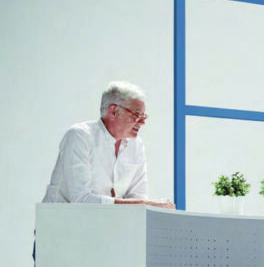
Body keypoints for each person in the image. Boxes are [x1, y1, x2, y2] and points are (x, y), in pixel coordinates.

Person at [41, 81, 175, 208]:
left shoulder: (136, 144)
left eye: (143, 116)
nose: (142, 122)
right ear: (114, 111)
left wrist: (145, 204)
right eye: (137, 114)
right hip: (60, 222)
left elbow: (137, 197)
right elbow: (80, 200)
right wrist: (145, 204)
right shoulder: (79, 136)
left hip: (103, 222)